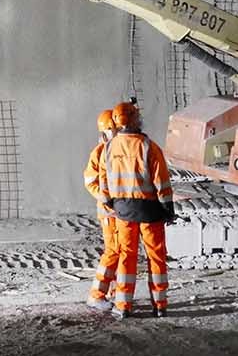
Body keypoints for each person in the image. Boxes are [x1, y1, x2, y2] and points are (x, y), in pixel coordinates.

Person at [99, 100, 174, 319]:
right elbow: (162, 181)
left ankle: (123, 306)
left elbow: (104, 181)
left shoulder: (109, 147)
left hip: (123, 211)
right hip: (150, 211)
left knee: (126, 257)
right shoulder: (148, 146)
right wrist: (168, 208)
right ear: (134, 120)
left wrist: (109, 203)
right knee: (156, 258)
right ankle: (160, 306)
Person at [83, 108, 120, 312]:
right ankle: (96, 295)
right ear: (107, 131)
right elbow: (90, 181)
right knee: (113, 251)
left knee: (121, 252)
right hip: (109, 211)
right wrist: (107, 199)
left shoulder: (118, 151)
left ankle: (115, 293)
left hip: (119, 211)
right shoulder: (99, 153)